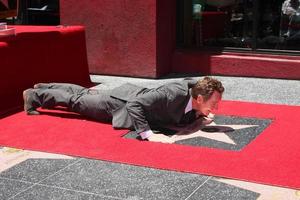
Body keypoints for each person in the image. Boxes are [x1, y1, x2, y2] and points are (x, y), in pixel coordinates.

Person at [23, 77, 224, 143]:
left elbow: (183, 106)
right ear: (198, 98)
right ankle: (34, 96)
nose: (215, 107)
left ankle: (45, 87)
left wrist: (199, 113)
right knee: (77, 101)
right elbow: (135, 105)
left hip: (128, 93)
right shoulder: (172, 94)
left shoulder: (194, 92)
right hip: (120, 103)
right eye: (213, 103)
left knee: (84, 94)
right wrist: (148, 134)